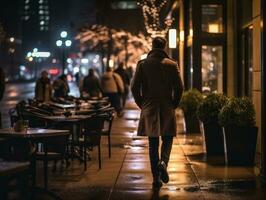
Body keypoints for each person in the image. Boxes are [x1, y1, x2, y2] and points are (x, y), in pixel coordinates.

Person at [131, 37, 183, 189]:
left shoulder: (143, 64)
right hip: (167, 104)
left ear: (152, 46)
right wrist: (174, 103)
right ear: (164, 47)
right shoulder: (172, 65)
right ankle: (163, 162)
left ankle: (156, 179)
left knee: (153, 143)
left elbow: (134, 88)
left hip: (149, 105)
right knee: (168, 138)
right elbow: (179, 88)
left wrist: (141, 104)